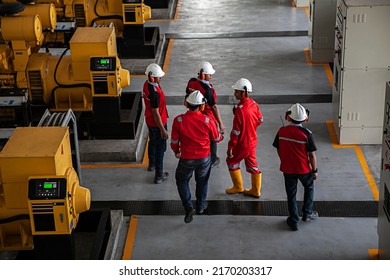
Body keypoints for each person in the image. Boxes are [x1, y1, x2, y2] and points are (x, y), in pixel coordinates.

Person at [170, 90, 224, 223]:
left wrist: (176, 151)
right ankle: (200, 206)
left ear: (187, 104)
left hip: (186, 159)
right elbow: (216, 138)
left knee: (182, 181)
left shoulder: (178, 120)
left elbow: (174, 142)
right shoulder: (208, 120)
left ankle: (188, 208)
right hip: (204, 159)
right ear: (202, 106)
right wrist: (221, 134)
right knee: (202, 181)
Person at [272, 103, 319, 231]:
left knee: (291, 195)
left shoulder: (281, 131)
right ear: (305, 118)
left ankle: (294, 221)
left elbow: (278, 148)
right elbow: (312, 155)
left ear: (288, 117)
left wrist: (284, 160)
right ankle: (307, 213)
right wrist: (314, 170)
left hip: (288, 169)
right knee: (309, 187)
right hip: (304, 169)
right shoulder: (306, 134)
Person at [225, 78, 264, 198]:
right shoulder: (254, 104)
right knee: (252, 165)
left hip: (243, 144)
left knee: (231, 161)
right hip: (252, 142)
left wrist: (231, 147)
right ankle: (256, 190)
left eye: (237, 91)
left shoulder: (240, 111)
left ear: (244, 92)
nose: (234, 94)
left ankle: (238, 187)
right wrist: (250, 127)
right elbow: (260, 120)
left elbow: (236, 132)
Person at [185, 61, 225, 168]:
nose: (211, 76)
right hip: (207, 117)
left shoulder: (191, 82)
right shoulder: (208, 90)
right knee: (212, 139)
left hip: (193, 115)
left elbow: (187, 96)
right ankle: (212, 159)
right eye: (209, 74)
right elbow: (214, 107)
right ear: (203, 74)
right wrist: (220, 123)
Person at [142, 63, 169, 184]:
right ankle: (159, 174)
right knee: (160, 148)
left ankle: (151, 164)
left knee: (152, 142)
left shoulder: (146, 85)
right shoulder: (154, 93)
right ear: (152, 77)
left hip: (149, 121)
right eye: (158, 77)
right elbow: (155, 112)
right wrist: (162, 129)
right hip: (158, 123)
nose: (160, 79)